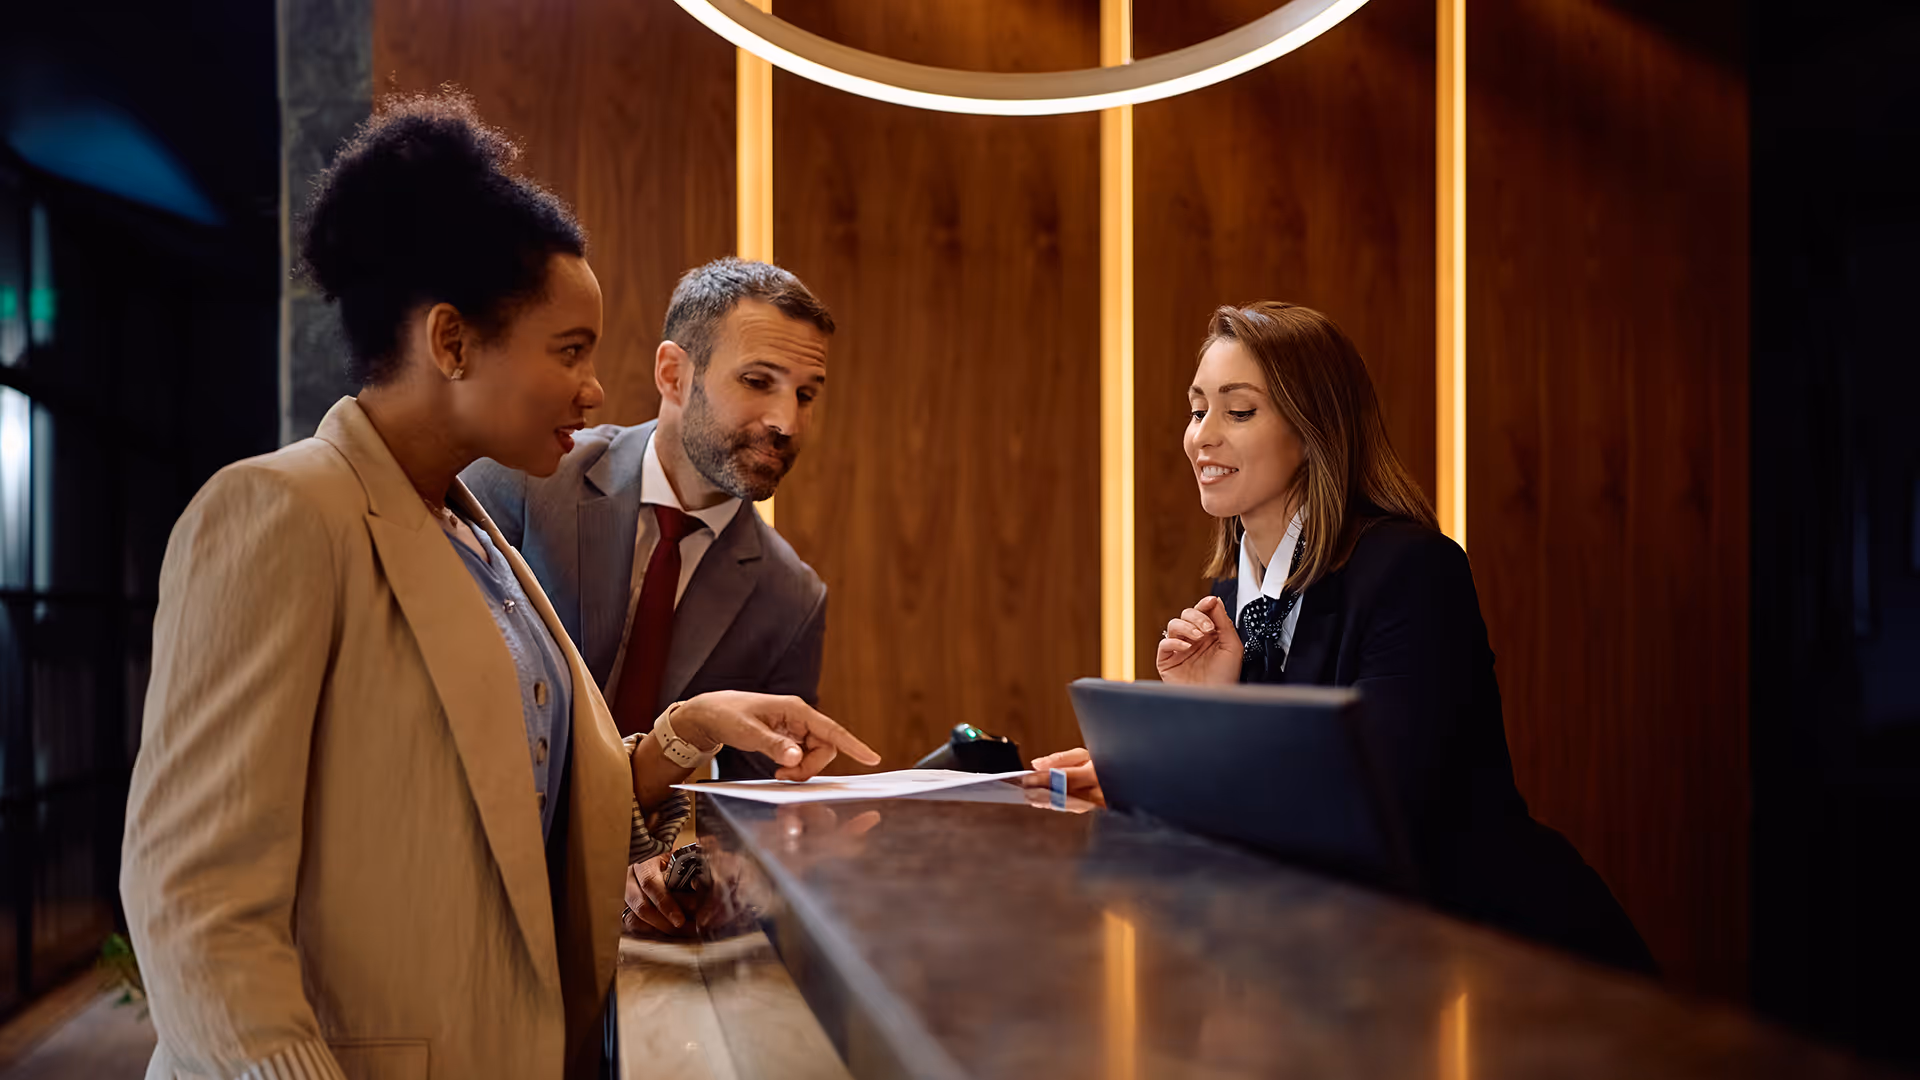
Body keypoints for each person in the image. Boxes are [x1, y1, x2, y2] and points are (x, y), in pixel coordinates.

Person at [119, 91, 878, 1080]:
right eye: (570, 351)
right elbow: (193, 900)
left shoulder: (473, 536)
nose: (595, 391)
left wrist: (688, 733)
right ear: (451, 341)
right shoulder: (278, 511)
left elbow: (533, 800)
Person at [1028, 301, 1654, 974]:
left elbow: (1368, 805)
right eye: (1196, 409)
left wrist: (1171, 769)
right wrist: (1170, 750)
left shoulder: (1413, 568)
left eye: (1237, 412)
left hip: (1504, 959)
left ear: (1313, 428)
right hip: (1342, 967)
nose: (1202, 437)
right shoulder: (1228, 600)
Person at [463, 258, 832, 783]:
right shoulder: (526, 479)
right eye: (757, 381)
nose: (786, 421)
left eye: (806, 394)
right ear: (674, 375)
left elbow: (755, 804)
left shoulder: (792, 598)